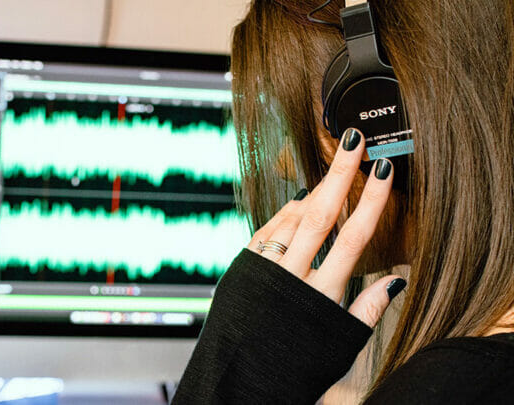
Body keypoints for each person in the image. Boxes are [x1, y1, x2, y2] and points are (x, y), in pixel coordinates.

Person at [171, 0, 514, 403]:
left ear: (385, 118)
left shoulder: (451, 389)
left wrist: (242, 375)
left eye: (300, 123)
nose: (283, 164)